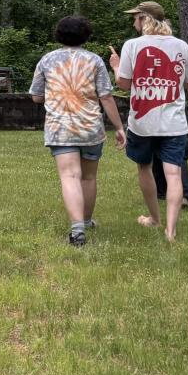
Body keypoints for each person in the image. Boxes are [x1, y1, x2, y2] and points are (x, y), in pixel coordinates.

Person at [29, 15, 128, 247]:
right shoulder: (94, 61)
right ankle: (86, 219)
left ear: (59, 35)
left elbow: (35, 96)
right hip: (90, 128)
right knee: (88, 176)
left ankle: (77, 230)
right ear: (85, 35)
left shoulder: (47, 60)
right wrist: (119, 127)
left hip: (60, 128)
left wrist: (53, 94)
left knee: (69, 176)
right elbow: (106, 96)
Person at [108, 2, 188, 242]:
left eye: (135, 19)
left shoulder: (132, 45)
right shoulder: (181, 46)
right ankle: (171, 231)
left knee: (144, 167)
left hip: (142, 122)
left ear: (143, 19)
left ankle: (155, 219)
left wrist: (116, 66)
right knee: (173, 173)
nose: (133, 23)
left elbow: (124, 83)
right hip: (174, 122)